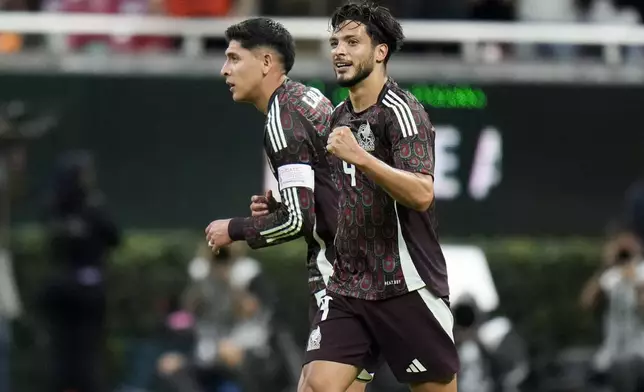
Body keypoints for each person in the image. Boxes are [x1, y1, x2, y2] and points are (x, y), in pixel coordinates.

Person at [203, 17, 373, 391]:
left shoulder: (282, 119)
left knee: (315, 387)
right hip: (369, 264)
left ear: (265, 63)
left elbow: (298, 220)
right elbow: (322, 192)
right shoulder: (306, 98)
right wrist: (280, 208)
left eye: (233, 58)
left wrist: (233, 229)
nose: (224, 70)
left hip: (346, 276)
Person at [298, 2, 459, 392]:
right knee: (317, 384)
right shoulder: (339, 116)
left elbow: (422, 193)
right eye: (335, 41)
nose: (339, 50)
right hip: (350, 286)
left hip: (406, 285)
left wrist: (362, 157)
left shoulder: (403, 111)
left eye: (353, 41)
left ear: (380, 51)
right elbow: (345, 198)